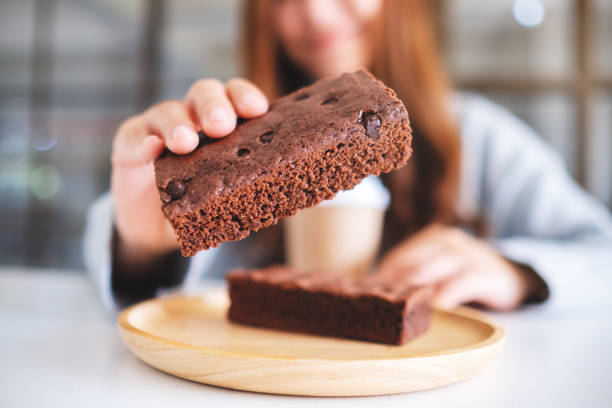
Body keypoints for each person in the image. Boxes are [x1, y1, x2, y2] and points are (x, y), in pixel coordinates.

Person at [84, 0, 612, 313]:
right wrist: (140, 248)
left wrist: (516, 271)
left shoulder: (478, 137)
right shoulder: (223, 140)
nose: (314, 12)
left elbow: (600, 251)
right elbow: (144, 292)